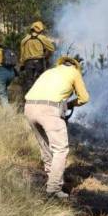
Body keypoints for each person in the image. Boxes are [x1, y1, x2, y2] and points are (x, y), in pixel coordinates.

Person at [24, 56, 90, 199]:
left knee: (45, 146)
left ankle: (51, 177)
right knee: (60, 149)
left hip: (29, 107)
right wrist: (70, 104)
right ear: (75, 66)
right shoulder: (74, 72)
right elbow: (84, 98)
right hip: (49, 111)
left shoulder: (49, 72)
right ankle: (53, 188)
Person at [19, 20, 55, 95]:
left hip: (28, 63)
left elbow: (22, 54)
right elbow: (52, 48)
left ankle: (29, 100)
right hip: (39, 62)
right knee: (40, 81)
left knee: (29, 82)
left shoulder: (24, 40)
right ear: (40, 29)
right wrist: (47, 56)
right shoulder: (42, 38)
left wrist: (22, 64)